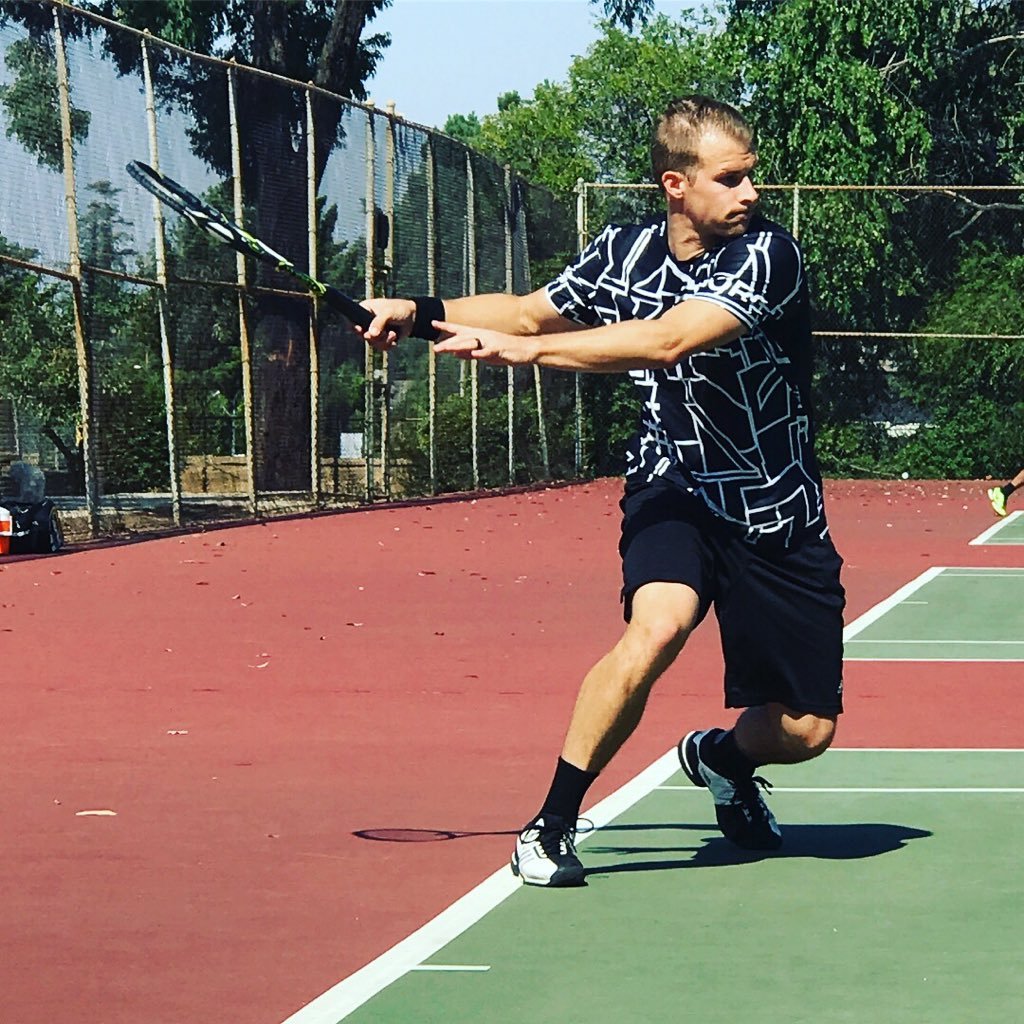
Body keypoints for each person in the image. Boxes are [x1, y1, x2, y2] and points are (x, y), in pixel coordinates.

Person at [358, 95, 845, 888]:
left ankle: (718, 757)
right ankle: (550, 825)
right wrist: (417, 313)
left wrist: (523, 354)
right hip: (673, 487)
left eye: (751, 177)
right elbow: (526, 311)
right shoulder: (623, 251)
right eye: (731, 179)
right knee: (656, 630)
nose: (750, 193)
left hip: (774, 510)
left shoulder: (768, 257)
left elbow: (669, 338)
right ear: (676, 184)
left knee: (806, 729)